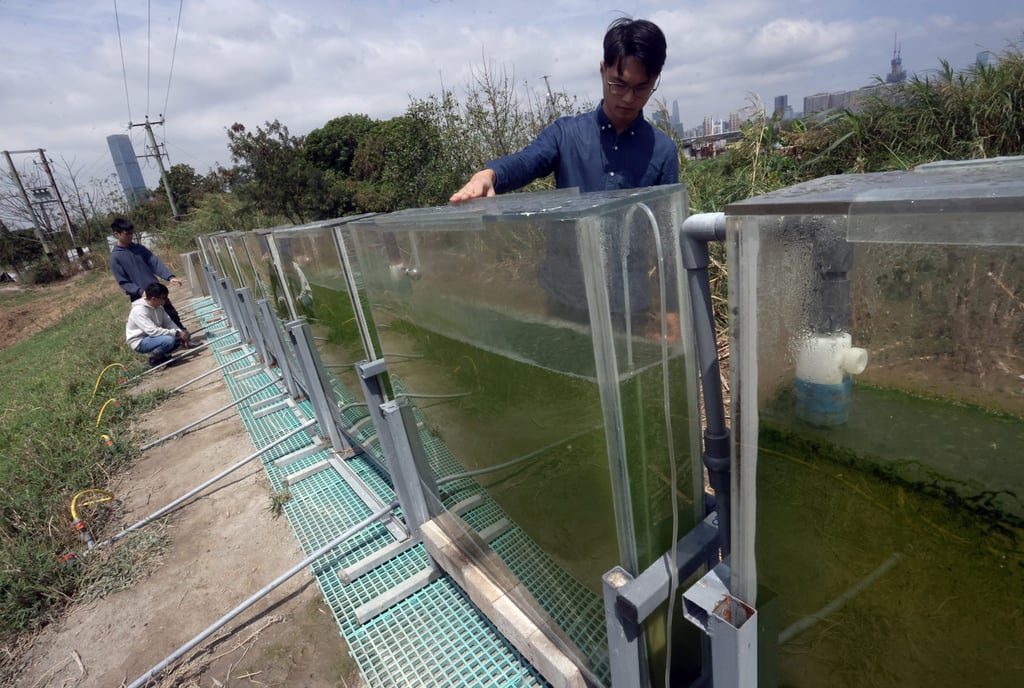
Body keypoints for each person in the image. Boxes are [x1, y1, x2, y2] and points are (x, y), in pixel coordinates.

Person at [449, 17, 680, 339]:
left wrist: (672, 310)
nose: (629, 98)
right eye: (619, 84)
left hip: (630, 304)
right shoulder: (566, 134)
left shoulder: (662, 151)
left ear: (655, 79)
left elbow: (667, 239)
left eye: (642, 87)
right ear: (603, 69)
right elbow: (527, 161)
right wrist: (490, 174)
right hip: (565, 296)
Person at [110, 217, 188, 333]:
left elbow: (154, 262)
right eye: (127, 234)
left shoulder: (139, 249)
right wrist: (140, 292)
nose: (130, 236)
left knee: (171, 315)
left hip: (157, 290)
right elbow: (123, 282)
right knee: (153, 323)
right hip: (140, 297)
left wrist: (169, 277)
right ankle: (168, 342)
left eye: (131, 233)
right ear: (116, 234)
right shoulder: (115, 257)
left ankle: (183, 335)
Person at [126, 282, 190, 367]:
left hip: (154, 336)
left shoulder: (159, 307)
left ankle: (164, 356)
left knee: (184, 335)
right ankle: (154, 359)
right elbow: (152, 331)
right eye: (164, 298)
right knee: (169, 340)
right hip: (140, 341)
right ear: (154, 299)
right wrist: (177, 333)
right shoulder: (139, 311)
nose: (166, 300)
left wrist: (180, 333)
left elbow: (169, 323)